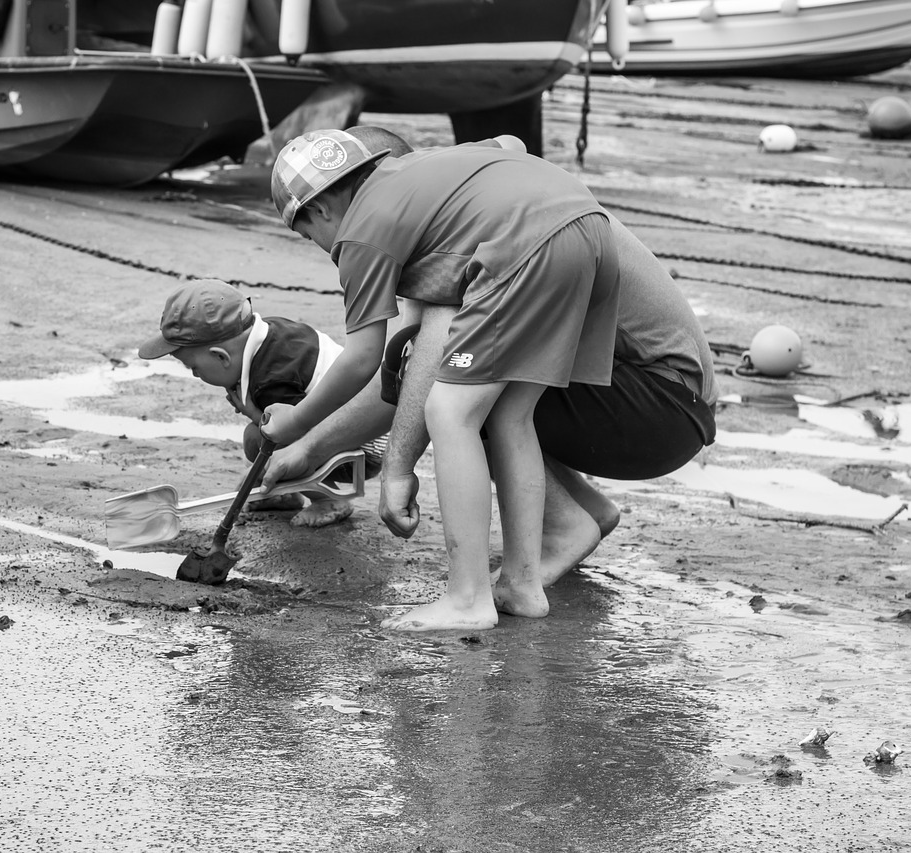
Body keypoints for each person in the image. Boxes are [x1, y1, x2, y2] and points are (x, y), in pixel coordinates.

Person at [259, 126, 718, 631]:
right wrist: (314, 446)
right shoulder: (465, 183)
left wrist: (317, 433)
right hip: (583, 236)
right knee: (499, 404)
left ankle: (468, 598)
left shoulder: (369, 231)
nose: (318, 248)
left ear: (321, 211)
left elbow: (371, 361)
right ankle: (527, 575)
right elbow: (511, 141)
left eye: (307, 236)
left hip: (658, 407)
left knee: (450, 407)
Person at [139, 278, 384, 528]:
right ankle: (286, 492)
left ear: (221, 356)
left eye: (194, 367)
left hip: (362, 448)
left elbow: (302, 433)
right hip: (360, 430)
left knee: (260, 440)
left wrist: (255, 418)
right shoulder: (271, 334)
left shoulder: (271, 380)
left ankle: (329, 500)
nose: (194, 374)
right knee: (257, 437)